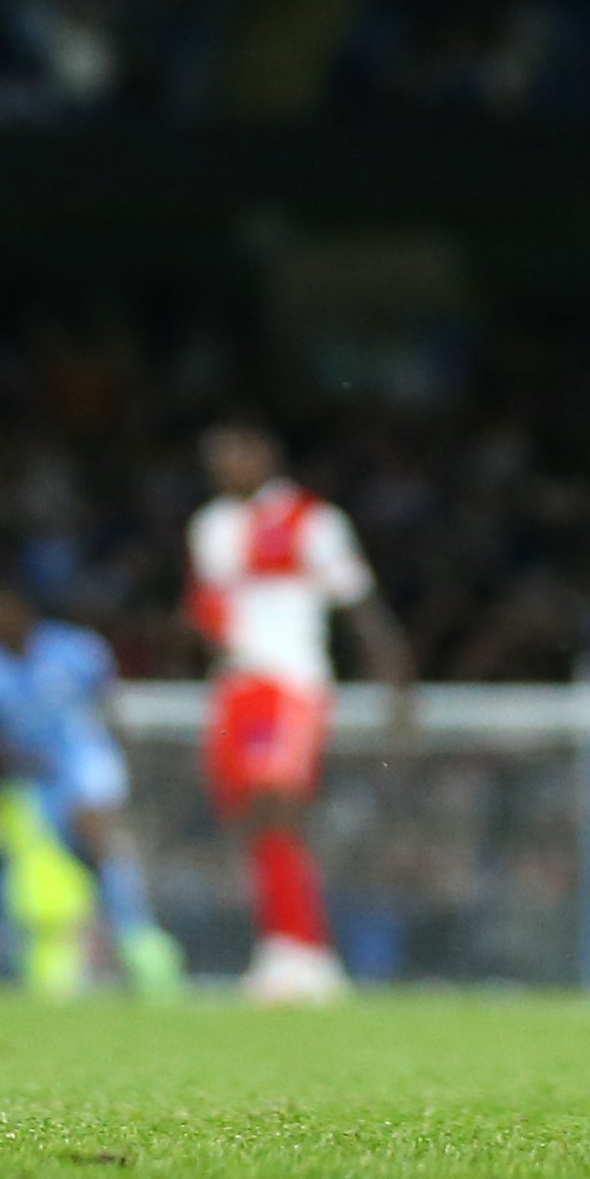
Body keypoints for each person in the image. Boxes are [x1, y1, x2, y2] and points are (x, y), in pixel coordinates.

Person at [187, 421, 406, 1003]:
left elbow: (360, 603)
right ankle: (284, 946)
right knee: (253, 818)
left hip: (290, 685)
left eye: (234, 453)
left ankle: (306, 952)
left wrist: (397, 681)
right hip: (237, 687)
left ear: (266, 454)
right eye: (216, 458)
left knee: (278, 807)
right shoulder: (210, 528)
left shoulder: (313, 521)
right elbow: (212, 612)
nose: (224, 467)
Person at [0, 582, 181, 999]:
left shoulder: (74, 649)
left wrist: (125, 762)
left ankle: (141, 942)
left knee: (95, 832)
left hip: (85, 759)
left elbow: (108, 706)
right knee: (49, 874)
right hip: (28, 781)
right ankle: (64, 961)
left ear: (20, 611)